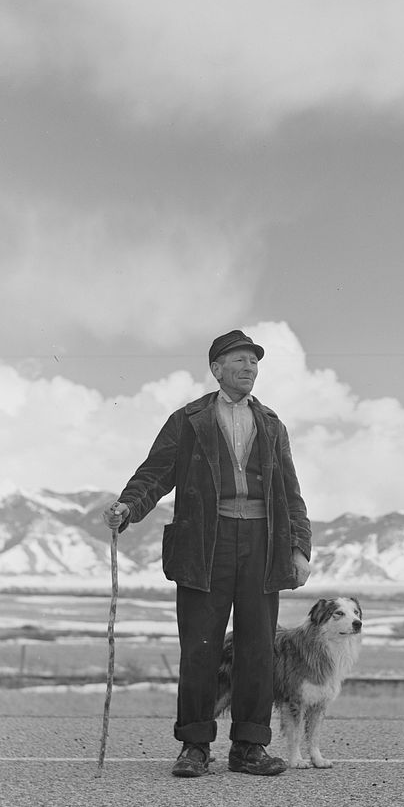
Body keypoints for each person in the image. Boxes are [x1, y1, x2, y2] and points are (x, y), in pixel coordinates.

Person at [102, 329, 312, 778]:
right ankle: (194, 747)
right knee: (200, 646)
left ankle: (249, 748)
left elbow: (290, 492)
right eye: (238, 360)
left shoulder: (272, 423)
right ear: (216, 369)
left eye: (253, 362)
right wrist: (128, 507)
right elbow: (155, 473)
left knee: (258, 647)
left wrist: (299, 547)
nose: (248, 368)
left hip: (262, 543)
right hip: (204, 543)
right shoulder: (189, 420)